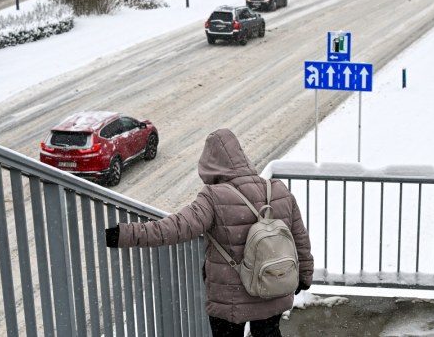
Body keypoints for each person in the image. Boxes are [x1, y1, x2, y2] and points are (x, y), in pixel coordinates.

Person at [105, 129, 314, 337]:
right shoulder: (277, 189)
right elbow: (299, 238)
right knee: (269, 333)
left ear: (210, 164)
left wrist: (125, 234)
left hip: (231, 298)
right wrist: (304, 275)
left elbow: (176, 227)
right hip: (274, 285)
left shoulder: (213, 197)